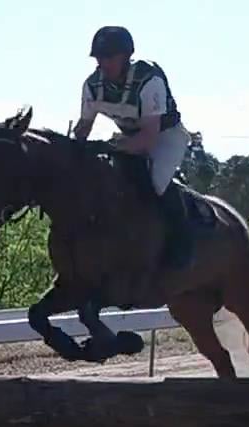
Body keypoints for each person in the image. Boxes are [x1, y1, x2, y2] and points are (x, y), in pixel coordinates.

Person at [73, 25, 194, 269]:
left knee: (153, 185)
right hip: (128, 136)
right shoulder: (92, 85)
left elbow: (148, 140)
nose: (103, 63)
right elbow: (83, 128)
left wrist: (110, 147)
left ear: (126, 56)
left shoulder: (149, 79)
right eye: (99, 57)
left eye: (109, 57)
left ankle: (181, 245)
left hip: (165, 137)